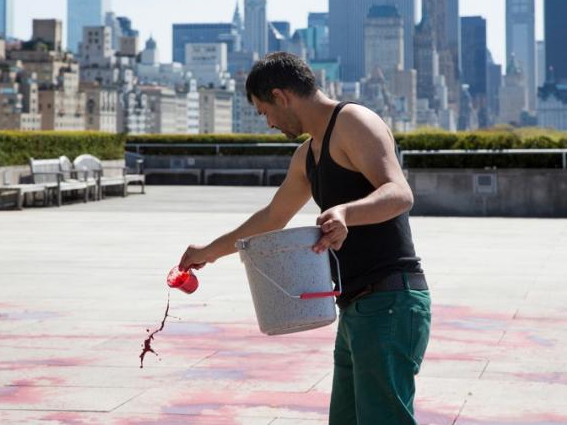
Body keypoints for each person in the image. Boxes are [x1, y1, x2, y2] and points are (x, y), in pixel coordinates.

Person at [179, 52, 431, 425]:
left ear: (281, 97)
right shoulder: (307, 155)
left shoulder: (354, 122)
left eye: (265, 112)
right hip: (356, 307)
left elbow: (399, 193)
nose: (268, 123)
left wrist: (346, 213)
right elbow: (273, 217)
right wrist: (209, 252)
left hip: (390, 302)